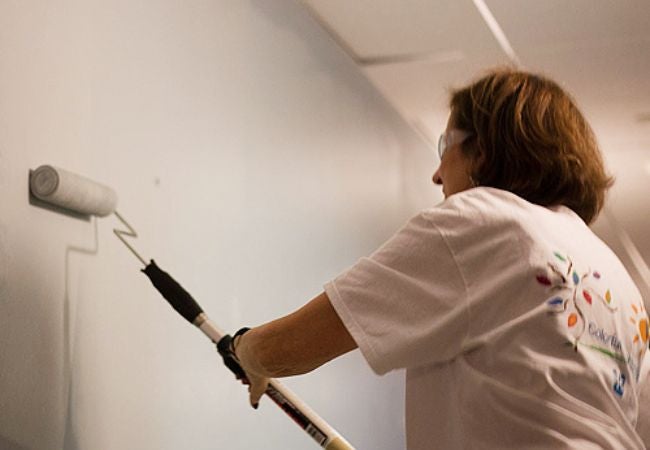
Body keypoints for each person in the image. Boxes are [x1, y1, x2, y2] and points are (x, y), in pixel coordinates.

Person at [219, 67, 649, 449]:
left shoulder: (484, 221)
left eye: (446, 145)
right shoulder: (617, 279)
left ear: (483, 149)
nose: (437, 174)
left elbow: (294, 345)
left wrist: (244, 350)